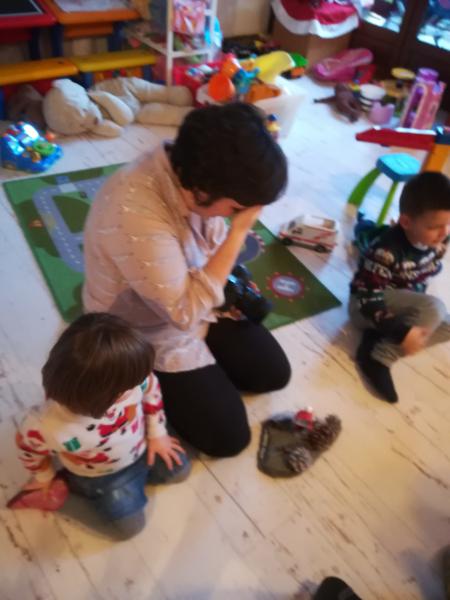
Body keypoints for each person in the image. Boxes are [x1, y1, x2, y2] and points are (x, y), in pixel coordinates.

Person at [83, 102, 291, 457]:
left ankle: (200, 371)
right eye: (237, 208)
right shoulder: (134, 211)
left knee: (273, 374)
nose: (239, 215)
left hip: (191, 294)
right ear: (202, 189)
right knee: (228, 438)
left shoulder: (188, 173)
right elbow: (182, 314)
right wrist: (238, 233)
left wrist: (230, 276)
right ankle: (147, 385)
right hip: (140, 327)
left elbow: (209, 252)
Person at [13, 313, 190, 539]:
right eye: (132, 383)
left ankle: (134, 484)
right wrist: (45, 477)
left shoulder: (133, 381)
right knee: (129, 529)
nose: (143, 380)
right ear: (108, 396)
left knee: (181, 470)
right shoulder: (45, 425)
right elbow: (28, 449)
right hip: (101, 478)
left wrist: (157, 434)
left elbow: (151, 390)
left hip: (143, 448)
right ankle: (71, 489)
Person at [349, 171, 450, 403]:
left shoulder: (438, 240)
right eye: (435, 227)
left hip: (400, 302)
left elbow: (424, 275)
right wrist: (403, 332)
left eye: (448, 224)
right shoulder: (385, 250)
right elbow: (367, 299)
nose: (443, 233)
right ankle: (380, 356)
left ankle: (378, 339)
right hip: (366, 306)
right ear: (406, 222)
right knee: (435, 307)